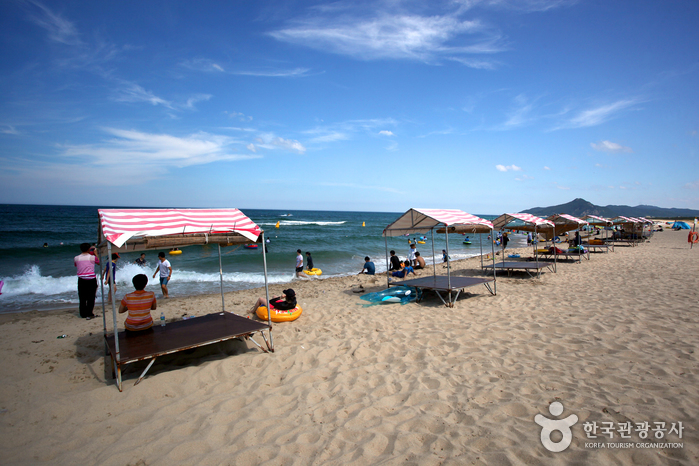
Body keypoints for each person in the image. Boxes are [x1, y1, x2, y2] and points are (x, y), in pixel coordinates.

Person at [74, 243, 100, 319]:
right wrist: (95, 254)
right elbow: (98, 263)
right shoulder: (92, 257)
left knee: (82, 297)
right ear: (89, 249)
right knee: (91, 297)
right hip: (91, 279)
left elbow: (76, 265)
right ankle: (89, 313)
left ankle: (83, 313)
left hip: (81, 279)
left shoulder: (76, 258)